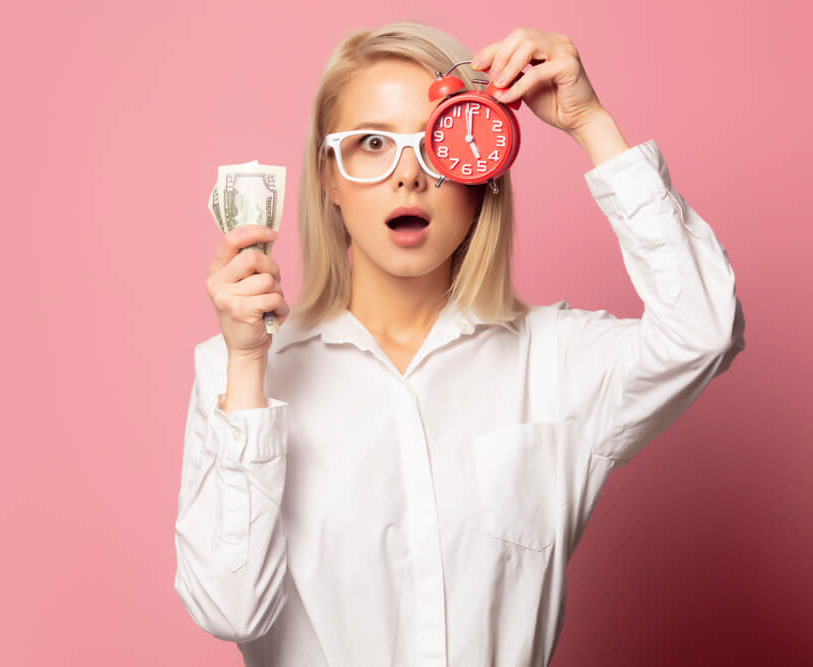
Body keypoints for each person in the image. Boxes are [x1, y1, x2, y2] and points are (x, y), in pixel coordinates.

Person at [174, 21, 746, 667]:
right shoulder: (235, 374)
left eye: (435, 143)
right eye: (371, 144)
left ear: (486, 174)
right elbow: (229, 608)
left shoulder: (554, 360)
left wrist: (589, 122)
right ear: (328, 179)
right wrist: (249, 364)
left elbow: (704, 331)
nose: (408, 177)